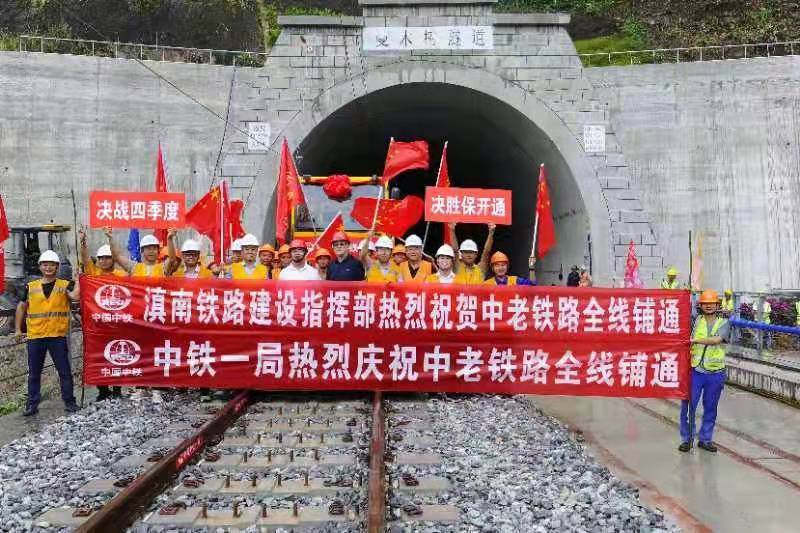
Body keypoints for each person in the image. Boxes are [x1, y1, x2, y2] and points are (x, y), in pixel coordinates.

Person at [14, 251, 80, 416]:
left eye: (52, 265)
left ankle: (70, 402)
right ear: (40, 267)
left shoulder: (65, 285)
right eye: (45, 264)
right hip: (36, 336)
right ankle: (32, 404)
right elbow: (21, 307)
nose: (48, 267)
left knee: (64, 371)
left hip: (57, 335)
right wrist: (17, 329)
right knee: (34, 373)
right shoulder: (31, 286)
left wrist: (78, 280)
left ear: (57, 267)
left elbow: (74, 296)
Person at [108, 228, 166, 403]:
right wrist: (110, 237)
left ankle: (156, 388)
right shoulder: (135, 267)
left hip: (157, 317)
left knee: (156, 352)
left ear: (158, 250)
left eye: (154, 248)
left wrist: (171, 238)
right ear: (141, 251)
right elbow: (117, 257)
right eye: (147, 248)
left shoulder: (162, 268)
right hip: (138, 318)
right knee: (139, 352)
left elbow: (173, 259)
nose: (151, 251)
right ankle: (139, 386)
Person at [679, 289, 730, 453]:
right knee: (688, 408)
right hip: (695, 372)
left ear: (717, 305)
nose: (708, 306)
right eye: (705, 303)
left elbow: (717, 340)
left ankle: (705, 439)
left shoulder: (724, 323)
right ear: (700, 305)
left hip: (715, 373)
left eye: (711, 303)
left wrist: (694, 340)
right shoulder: (695, 321)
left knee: (710, 408)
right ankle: (687, 439)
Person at [79, 228, 125, 401]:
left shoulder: (121, 276)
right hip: (98, 324)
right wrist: (83, 242)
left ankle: (117, 388)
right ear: (97, 261)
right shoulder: (93, 275)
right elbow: (84, 259)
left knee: (117, 356)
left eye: (107, 258)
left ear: (112, 259)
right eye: (101, 258)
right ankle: (103, 389)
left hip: (117, 323)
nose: (104, 261)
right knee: (100, 356)